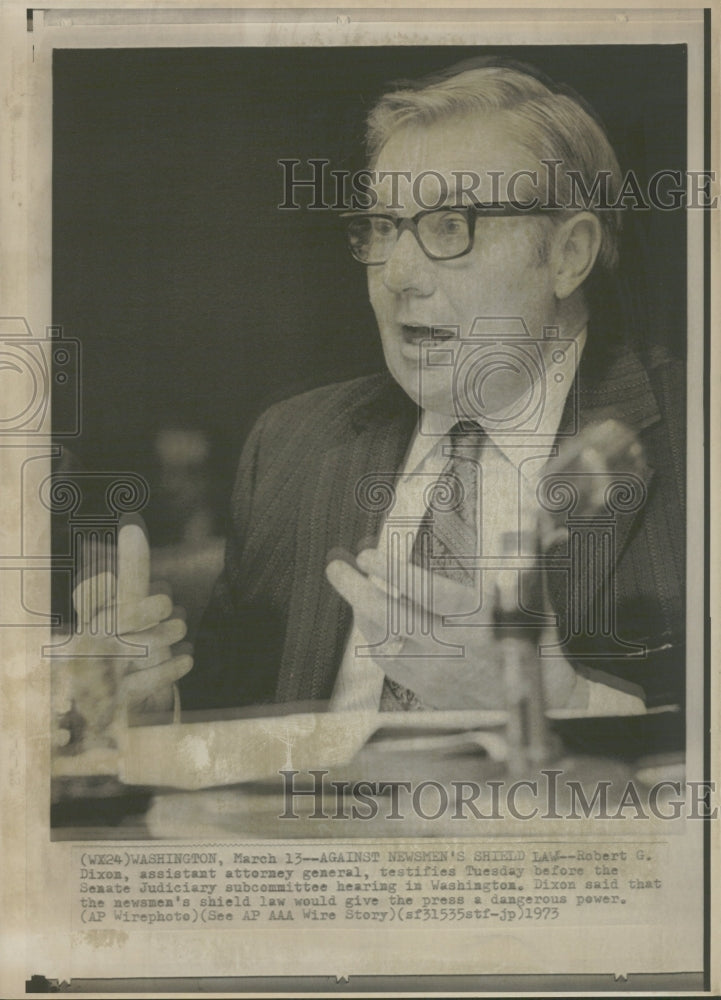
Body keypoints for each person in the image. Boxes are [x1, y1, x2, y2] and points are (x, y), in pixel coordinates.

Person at [62, 58, 685, 742]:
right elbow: (230, 718)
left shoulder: (691, 438)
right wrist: (154, 710)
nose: (396, 273)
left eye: (450, 226)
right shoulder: (294, 445)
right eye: (382, 228)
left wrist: (557, 702)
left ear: (567, 255)